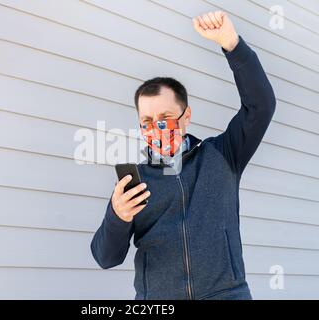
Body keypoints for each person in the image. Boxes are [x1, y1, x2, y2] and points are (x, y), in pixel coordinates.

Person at [90, 11, 276, 300]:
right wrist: (118, 215)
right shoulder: (135, 183)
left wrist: (232, 44)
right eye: (147, 121)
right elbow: (105, 257)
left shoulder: (223, 154)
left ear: (186, 116)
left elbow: (261, 106)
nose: (157, 127)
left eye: (165, 117)